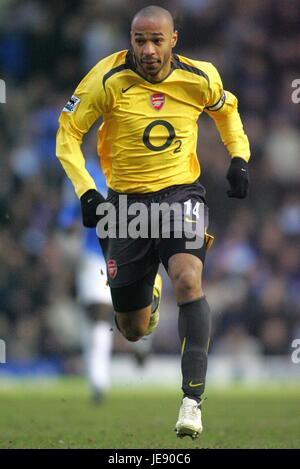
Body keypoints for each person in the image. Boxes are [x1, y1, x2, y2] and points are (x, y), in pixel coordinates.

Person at [56, 5, 250, 438]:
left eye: (156, 40)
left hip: (181, 194)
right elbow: (67, 132)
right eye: (139, 40)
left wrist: (239, 156)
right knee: (132, 328)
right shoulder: (105, 81)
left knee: (189, 278)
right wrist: (87, 189)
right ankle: (150, 295)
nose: (147, 49)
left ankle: (191, 402)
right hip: (124, 206)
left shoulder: (199, 78)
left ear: (173, 40)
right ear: (130, 39)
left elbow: (227, 111)